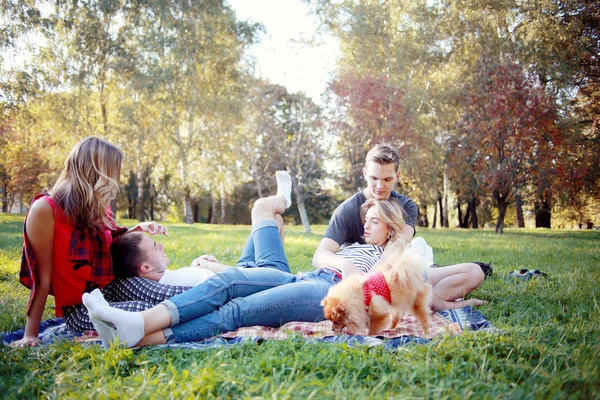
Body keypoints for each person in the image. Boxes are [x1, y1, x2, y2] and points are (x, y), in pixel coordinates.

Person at [82, 197, 411, 348]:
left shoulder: (391, 257)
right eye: (366, 219)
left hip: (325, 296)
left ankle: (138, 335)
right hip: (307, 279)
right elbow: (321, 258)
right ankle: (136, 329)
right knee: (230, 280)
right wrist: (343, 262)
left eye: (375, 221)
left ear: (392, 230)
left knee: (234, 312)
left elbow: (390, 291)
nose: (365, 225)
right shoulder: (355, 248)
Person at [11, 136, 189, 348]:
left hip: (111, 287)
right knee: (147, 312)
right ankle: (219, 317)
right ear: (96, 171)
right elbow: (42, 277)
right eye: (114, 171)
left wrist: (136, 229)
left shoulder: (98, 205)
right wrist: (30, 334)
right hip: (81, 306)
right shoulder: (45, 210)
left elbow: (100, 250)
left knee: (171, 294)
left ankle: (234, 296)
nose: (117, 179)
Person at [312, 143, 489, 311]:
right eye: (374, 178)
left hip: (397, 273)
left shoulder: (407, 206)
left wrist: (376, 276)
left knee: (475, 272)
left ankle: (428, 302)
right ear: (365, 173)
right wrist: (346, 265)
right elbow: (320, 255)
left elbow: (399, 243)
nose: (380, 186)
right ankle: (423, 303)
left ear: (398, 176)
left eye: (387, 179)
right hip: (365, 279)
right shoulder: (348, 209)